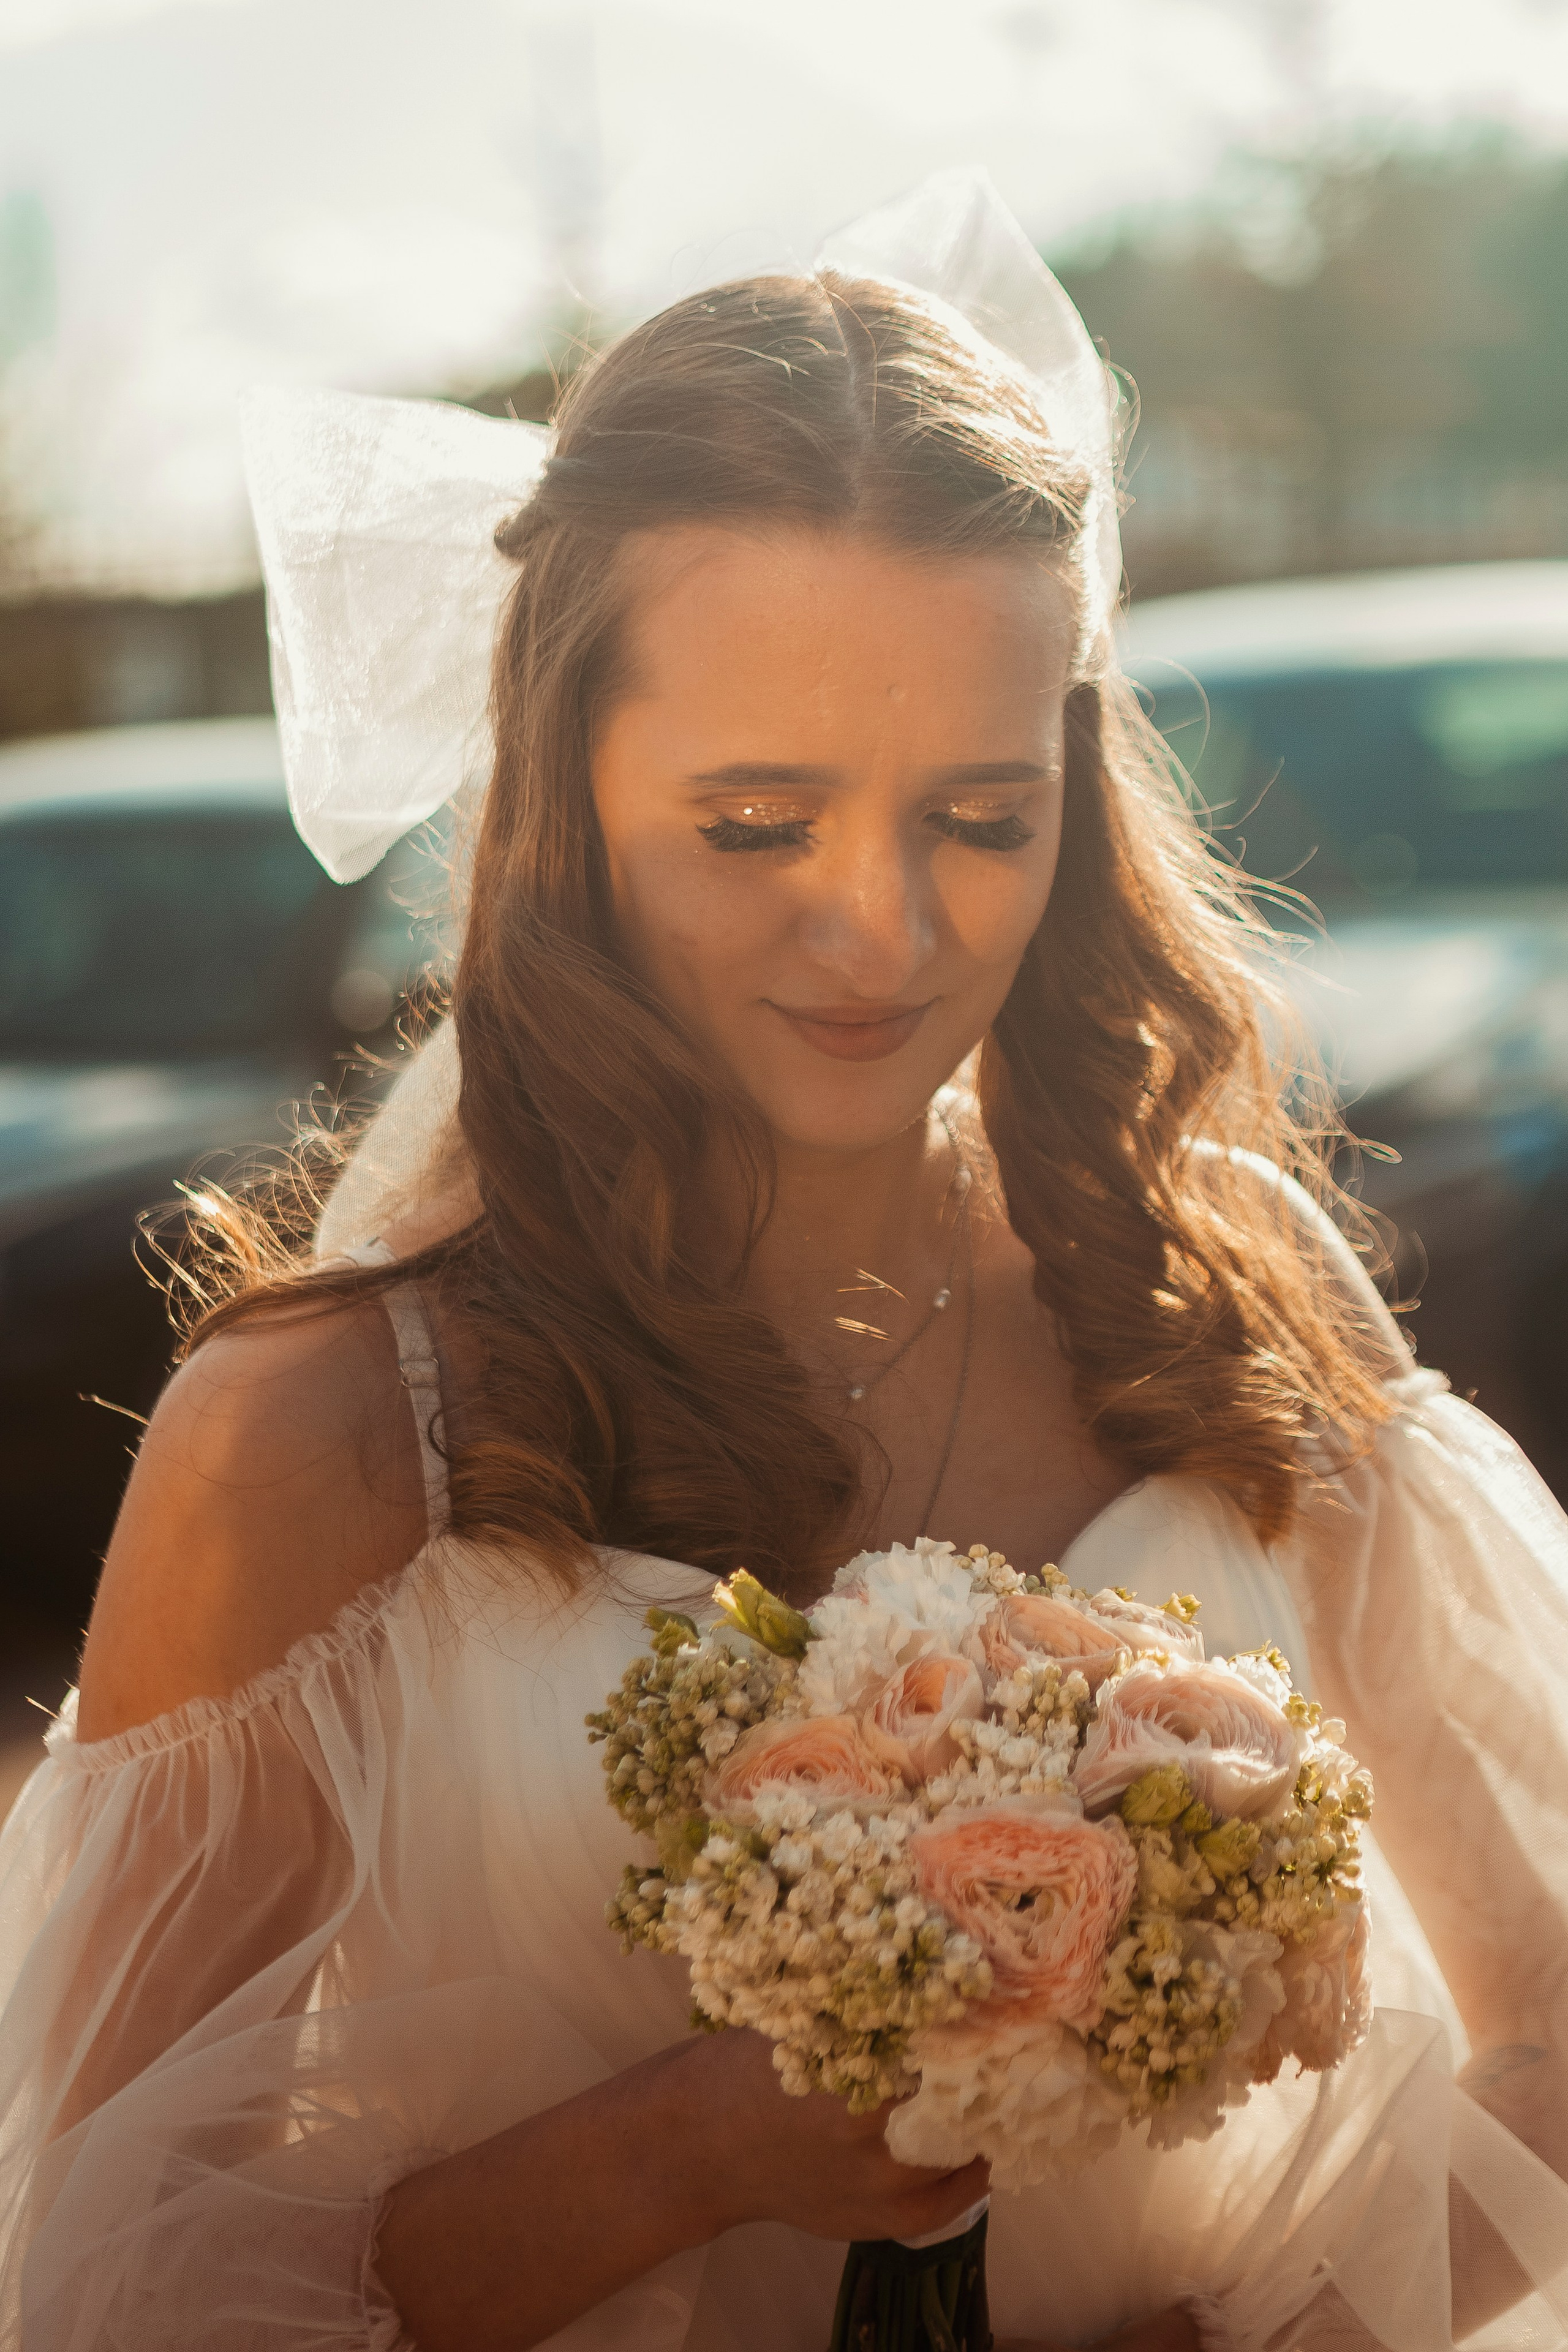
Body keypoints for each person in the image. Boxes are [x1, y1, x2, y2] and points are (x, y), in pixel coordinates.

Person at [1, 173, 1566, 2352]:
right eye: (756, 826)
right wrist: (682, 2152)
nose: (884, 932)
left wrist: (1274, 2344)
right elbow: (115, 2282)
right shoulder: (326, 1439)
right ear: (564, 795)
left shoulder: (1227, 1287)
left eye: (982, 818)